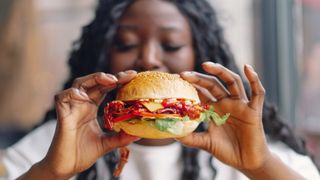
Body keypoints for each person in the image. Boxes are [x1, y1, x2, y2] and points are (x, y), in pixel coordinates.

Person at [1, 0, 319, 179]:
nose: (149, 59)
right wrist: (50, 172)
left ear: (200, 55)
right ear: (103, 56)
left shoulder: (249, 143)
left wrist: (259, 166)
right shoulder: (59, 142)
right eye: (126, 44)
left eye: (171, 44)